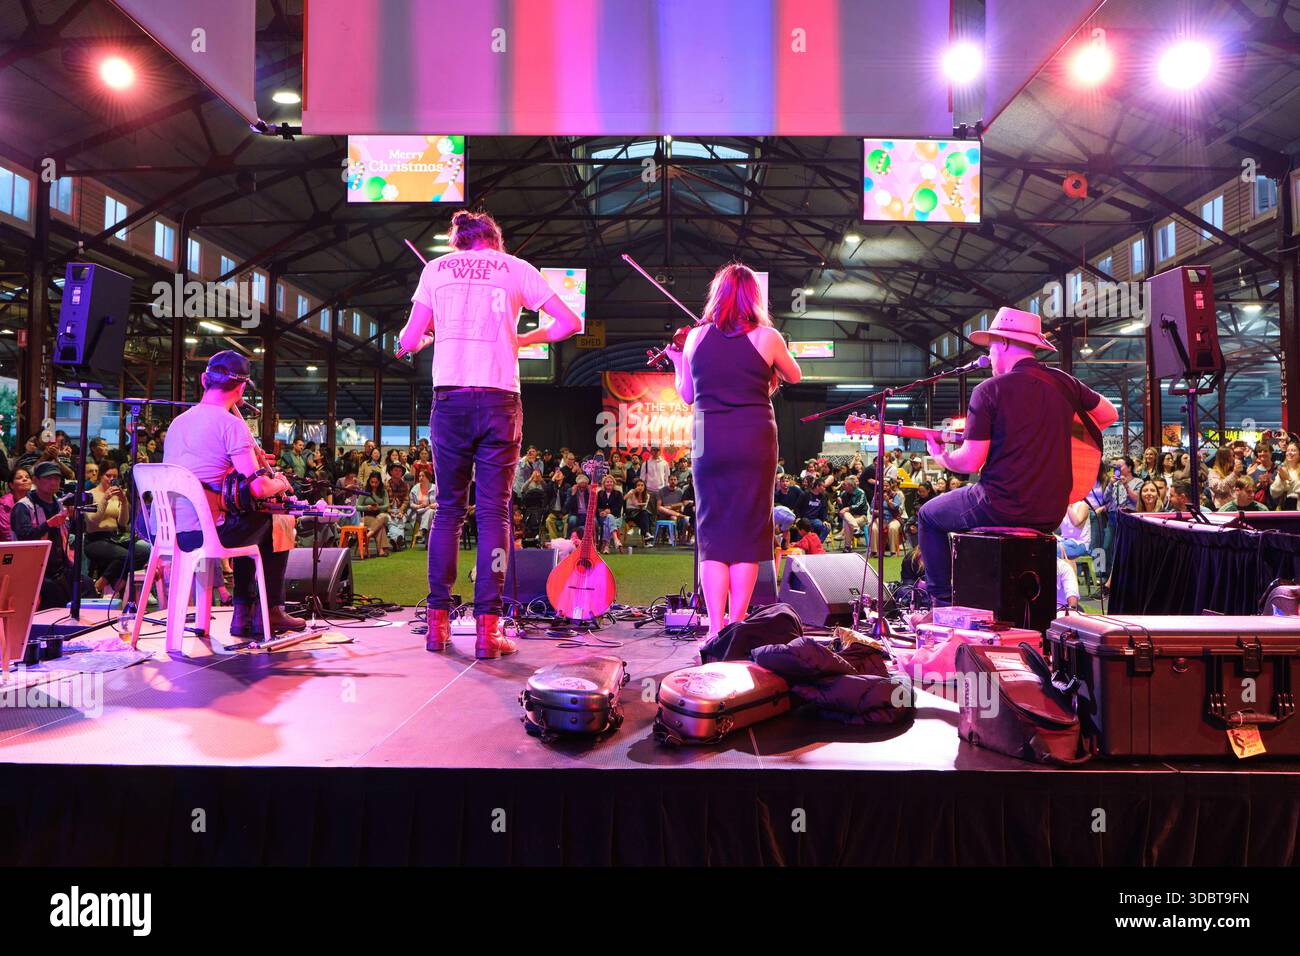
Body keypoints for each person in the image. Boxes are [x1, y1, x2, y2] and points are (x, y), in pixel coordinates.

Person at [397, 208, 583, 657]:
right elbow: (570, 323)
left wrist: (422, 339)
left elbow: (407, 339)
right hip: (499, 399)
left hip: (451, 399)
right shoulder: (516, 268)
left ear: (458, 241)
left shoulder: (435, 270)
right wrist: (523, 339)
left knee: (447, 511)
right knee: (494, 512)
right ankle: (488, 629)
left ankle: (437, 625)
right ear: (495, 240)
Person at [917, 307, 1118, 607]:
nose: (990, 356)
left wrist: (942, 458)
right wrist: (1062, 429)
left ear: (1006, 343)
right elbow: (1109, 414)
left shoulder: (989, 390)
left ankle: (943, 605)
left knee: (928, 516)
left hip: (1000, 504)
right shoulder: (1064, 383)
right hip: (1051, 511)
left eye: (992, 347)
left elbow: (971, 462)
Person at [665, 261, 802, 638]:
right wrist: (769, 371)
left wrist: (678, 363)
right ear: (754, 297)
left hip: (709, 440)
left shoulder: (694, 338)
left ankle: (713, 627)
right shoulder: (768, 336)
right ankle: (737, 623)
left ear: (717, 294)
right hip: (754, 439)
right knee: (747, 531)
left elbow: (688, 395)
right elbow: (795, 375)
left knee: (712, 532)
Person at [163, 351, 304, 635]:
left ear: (204, 380)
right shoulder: (232, 424)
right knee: (278, 521)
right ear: (241, 389)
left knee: (246, 516)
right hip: (209, 531)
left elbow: (205, 475)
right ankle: (270, 610)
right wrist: (282, 482)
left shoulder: (178, 423)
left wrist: (244, 457)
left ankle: (245, 612)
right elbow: (259, 487)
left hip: (172, 530)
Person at [10, 462, 91, 610]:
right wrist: (48, 524)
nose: (53, 482)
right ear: (36, 480)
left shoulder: (60, 504)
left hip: (60, 566)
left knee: (86, 584)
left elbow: (75, 531)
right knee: (53, 593)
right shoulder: (23, 506)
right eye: (48, 478)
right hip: (33, 568)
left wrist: (75, 518)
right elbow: (24, 537)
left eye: (56, 479)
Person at [84, 462, 150, 602]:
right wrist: (105, 499)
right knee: (125, 555)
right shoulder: (90, 494)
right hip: (95, 539)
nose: (111, 479)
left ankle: (111, 584)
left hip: (114, 538)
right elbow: (93, 521)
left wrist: (124, 501)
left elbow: (123, 522)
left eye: (115, 476)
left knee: (144, 551)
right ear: (100, 476)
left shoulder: (116, 495)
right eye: (108, 476)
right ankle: (103, 584)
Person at [869, 478, 906, 557]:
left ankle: (893, 552)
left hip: (894, 518)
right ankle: (874, 552)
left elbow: (896, 507)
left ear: (890, 486)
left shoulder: (895, 495)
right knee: (873, 527)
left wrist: (888, 501)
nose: (885, 488)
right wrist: (876, 511)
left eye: (887, 486)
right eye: (883, 486)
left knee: (893, 527)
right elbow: (871, 509)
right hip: (880, 518)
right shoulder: (877, 495)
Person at [358, 472, 391, 556]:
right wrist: (367, 507)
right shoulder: (365, 491)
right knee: (381, 527)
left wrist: (378, 508)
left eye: (376, 482)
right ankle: (381, 550)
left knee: (383, 516)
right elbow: (357, 506)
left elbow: (387, 505)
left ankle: (368, 535)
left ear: (379, 482)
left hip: (379, 515)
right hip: (366, 516)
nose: (374, 484)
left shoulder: (383, 492)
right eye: (372, 482)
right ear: (369, 481)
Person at [0, 467, 33, 542]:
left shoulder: (36, 501)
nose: (25, 479)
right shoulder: (3, 505)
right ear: (11, 485)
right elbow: (7, 533)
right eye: (19, 478)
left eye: (27, 477)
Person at [595, 473, 625, 553]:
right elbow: (597, 507)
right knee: (608, 518)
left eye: (611, 482)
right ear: (604, 484)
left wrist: (609, 511)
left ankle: (606, 546)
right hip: (602, 517)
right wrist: (602, 512)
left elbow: (618, 509)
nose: (609, 483)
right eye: (607, 482)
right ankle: (616, 540)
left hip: (616, 518)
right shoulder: (600, 494)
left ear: (614, 483)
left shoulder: (618, 494)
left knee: (608, 521)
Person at [837, 474, 867, 551]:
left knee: (847, 522)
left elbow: (860, 505)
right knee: (847, 519)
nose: (843, 486)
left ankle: (847, 547)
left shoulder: (860, 492)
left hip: (861, 517)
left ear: (850, 486)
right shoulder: (844, 494)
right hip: (849, 517)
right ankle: (856, 528)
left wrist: (848, 508)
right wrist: (840, 504)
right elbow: (841, 511)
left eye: (845, 485)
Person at [408, 470, 436, 546]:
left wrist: (434, 505)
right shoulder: (415, 488)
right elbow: (411, 504)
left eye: (423, 476)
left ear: (428, 477)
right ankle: (429, 543)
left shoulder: (435, 488)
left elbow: (440, 501)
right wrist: (419, 506)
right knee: (429, 513)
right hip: (418, 513)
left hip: (433, 513)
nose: (420, 478)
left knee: (430, 512)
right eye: (419, 476)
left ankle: (422, 530)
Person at [1271, 442, 1300, 511]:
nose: (1289, 453)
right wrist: (1282, 480)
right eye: (1288, 450)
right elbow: (1274, 492)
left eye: (1293, 450)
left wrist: (1288, 479)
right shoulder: (1282, 470)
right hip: (1285, 507)